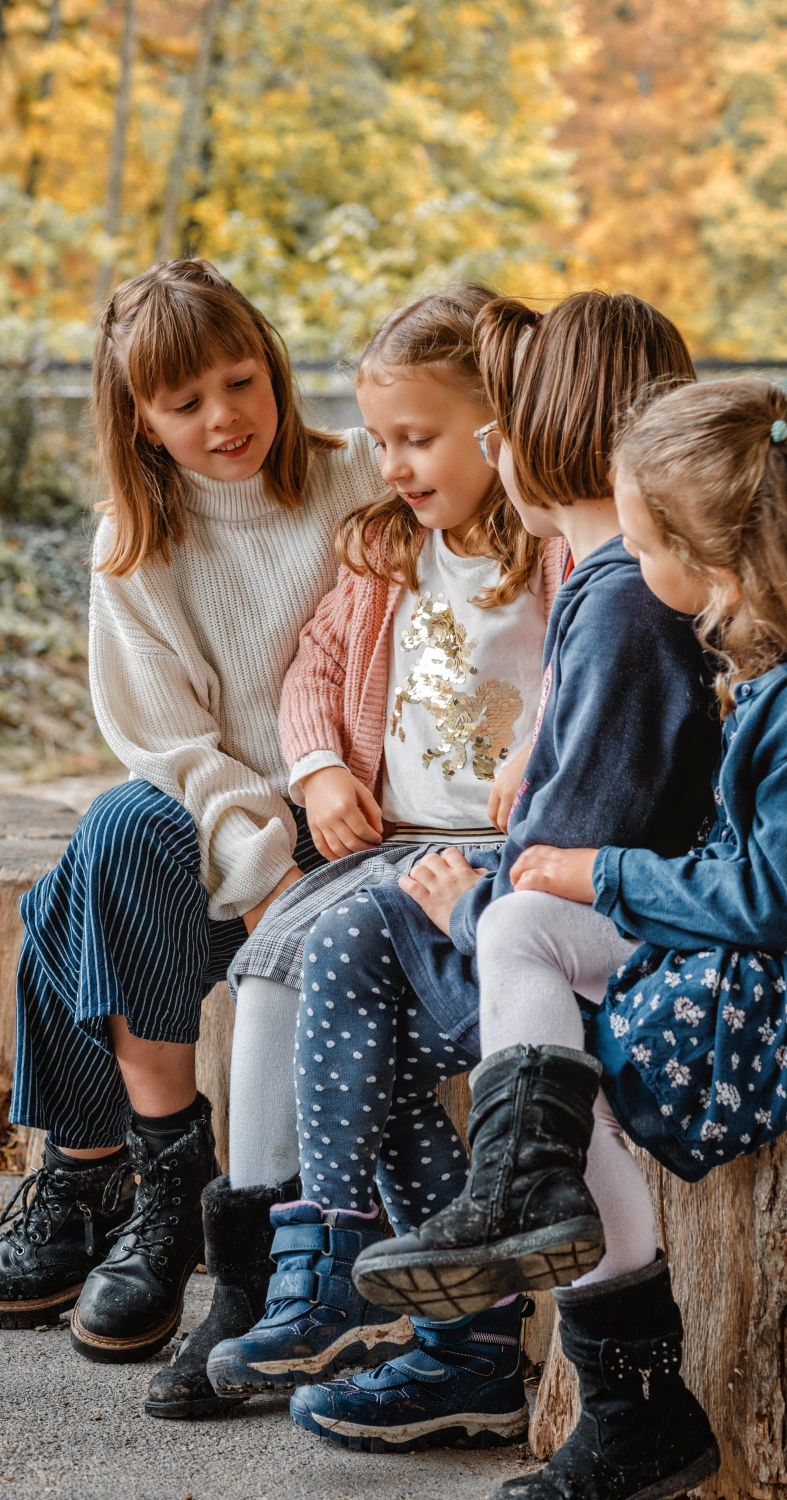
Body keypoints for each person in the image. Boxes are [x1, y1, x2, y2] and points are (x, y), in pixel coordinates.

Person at [364, 378, 787, 1500]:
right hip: (774, 938)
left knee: (611, 1030)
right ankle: (527, 1187)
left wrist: (610, 871)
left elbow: (772, 903)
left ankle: (634, 1405)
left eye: (639, 544)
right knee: (524, 928)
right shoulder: (760, 644)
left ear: (713, 554)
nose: (631, 569)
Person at [284, 292, 720, 1453]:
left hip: (622, 922)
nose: (484, 454)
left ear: (544, 431)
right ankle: (403, 1284)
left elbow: (581, 840)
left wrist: (476, 894)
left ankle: (414, 1290)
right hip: (580, 901)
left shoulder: (625, 594)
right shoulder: (605, 580)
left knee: (367, 958)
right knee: (347, 955)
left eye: (495, 428)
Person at [0, 261, 388, 1400]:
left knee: (65, 894)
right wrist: (261, 864)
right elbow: (171, 749)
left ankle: (93, 1178)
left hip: (353, 820)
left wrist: (304, 830)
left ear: (271, 363)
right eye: (185, 403)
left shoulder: (357, 477)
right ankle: (170, 1191)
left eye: (241, 379)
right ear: (138, 417)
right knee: (122, 825)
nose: (226, 418)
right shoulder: (136, 543)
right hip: (230, 835)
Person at [202, 282, 567, 1418]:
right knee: (269, 969)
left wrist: (545, 759)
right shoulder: (384, 552)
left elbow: (591, 683)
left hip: (491, 861)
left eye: (419, 438)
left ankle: (399, 1297)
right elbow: (313, 674)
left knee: (369, 1004)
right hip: (388, 847)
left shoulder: (556, 558)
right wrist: (316, 772)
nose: (395, 465)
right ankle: (280, 1257)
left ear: (497, 428)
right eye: (382, 441)